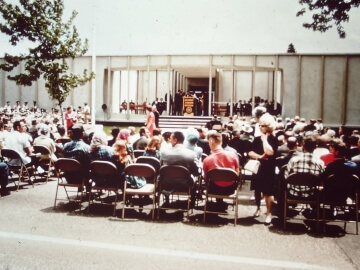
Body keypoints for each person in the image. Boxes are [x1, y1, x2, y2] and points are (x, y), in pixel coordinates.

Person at [248, 113, 278, 224]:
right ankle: (258, 208)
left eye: (263, 125)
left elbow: (270, 152)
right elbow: (250, 152)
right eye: (260, 125)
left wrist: (265, 140)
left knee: (268, 192)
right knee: (257, 189)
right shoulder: (256, 139)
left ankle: (269, 213)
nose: (261, 127)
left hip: (269, 168)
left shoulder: (273, 139)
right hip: (258, 166)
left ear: (269, 126)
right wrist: (259, 156)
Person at [160, 131, 202, 207]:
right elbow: (197, 171)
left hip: (166, 183)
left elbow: (160, 168)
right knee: (195, 178)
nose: (169, 140)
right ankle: (192, 201)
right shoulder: (191, 154)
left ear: (175, 140)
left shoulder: (164, 153)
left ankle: (166, 200)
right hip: (185, 184)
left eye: (170, 138)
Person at [203, 130, 239, 196]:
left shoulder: (207, 160)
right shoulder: (233, 156)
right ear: (221, 141)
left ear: (211, 142)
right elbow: (237, 174)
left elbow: (206, 178)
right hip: (231, 189)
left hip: (213, 189)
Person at [62, 124, 91, 190]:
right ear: (82, 134)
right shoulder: (86, 147)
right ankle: (88, 190)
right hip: (81, 177)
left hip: (68, 176)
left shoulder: (66, 146)